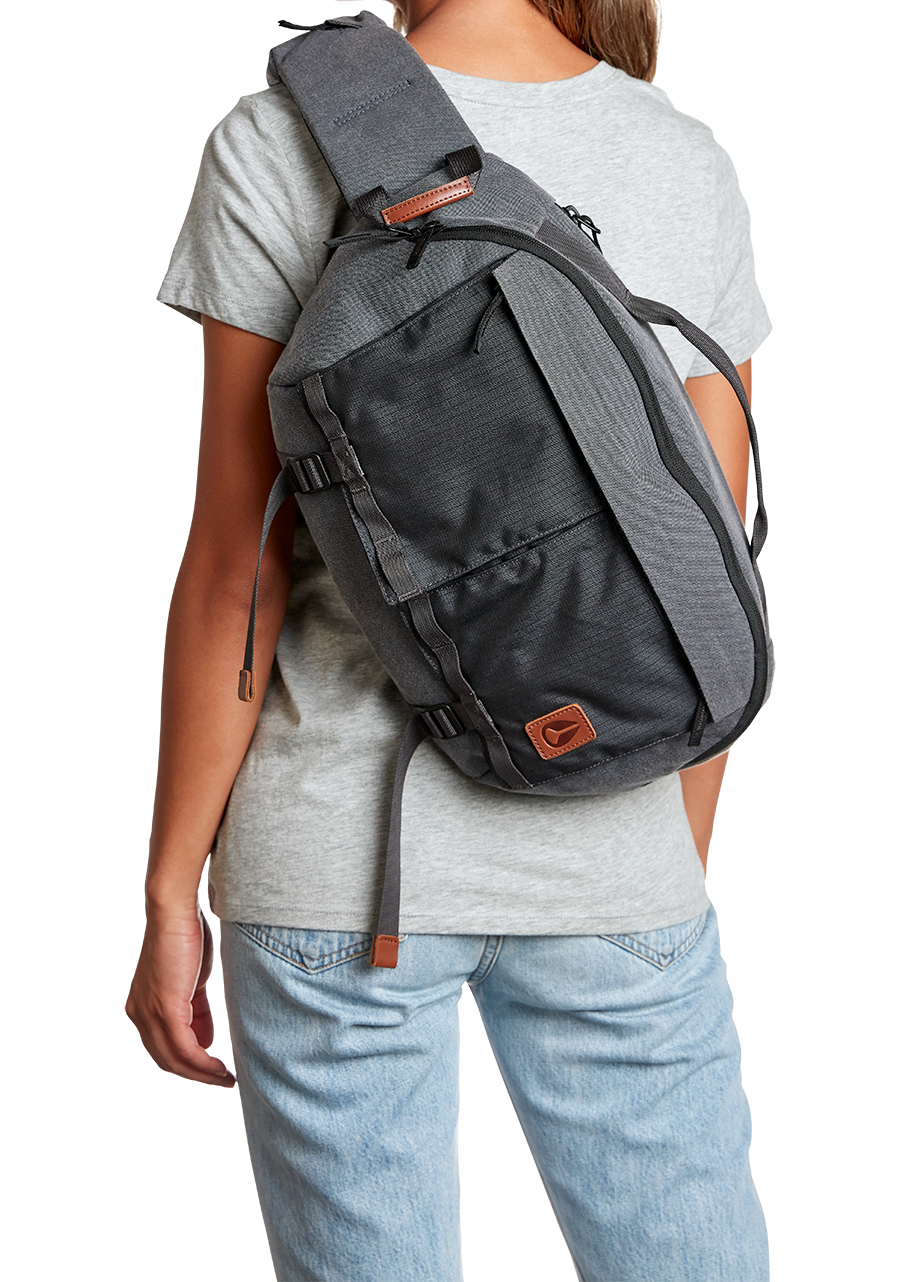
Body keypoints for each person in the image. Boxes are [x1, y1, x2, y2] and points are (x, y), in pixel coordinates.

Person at [126, 1, 772, 1278]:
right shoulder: (679, 153)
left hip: (340, 866)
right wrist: (655, 862)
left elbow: (237, 564)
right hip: (616, 853)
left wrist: (168, 888)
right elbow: (715, 550)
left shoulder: (286, 132)